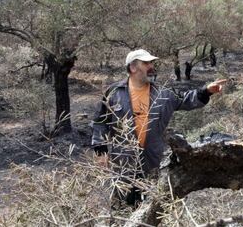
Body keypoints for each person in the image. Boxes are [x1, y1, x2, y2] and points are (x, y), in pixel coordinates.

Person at [91, 49, 226, 207]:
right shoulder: (114, 92)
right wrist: (101, 151)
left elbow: (186, 99)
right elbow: (100, 121)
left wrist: (206, 91)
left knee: (151, 207)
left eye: (151, 62)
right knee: (122, 207)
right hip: (123, 163)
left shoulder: (163, 93)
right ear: (133, 68)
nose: (151, 66)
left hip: (153, 161)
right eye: (146, 63)